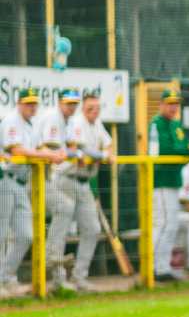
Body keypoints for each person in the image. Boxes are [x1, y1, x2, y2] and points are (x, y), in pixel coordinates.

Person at [1, 89, 66, 297]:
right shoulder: (11, 120)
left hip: (21, 182)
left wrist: (54, 154)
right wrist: (45, 155)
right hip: (4, 179)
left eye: (34, 103)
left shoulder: (30, 124)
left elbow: (40, 148)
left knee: (25, 235)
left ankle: (6, 278)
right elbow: (17, 150)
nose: (32, 107)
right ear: (19, 103)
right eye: (28, 103)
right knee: (1, 233)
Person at [46, 91, 114, 291]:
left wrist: (105, 154)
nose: (94, 111)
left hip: (84, 182)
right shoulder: (76, 122)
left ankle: (79, 277)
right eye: (90, 108)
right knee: (62, 228)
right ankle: (58, 280)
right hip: (66, 180)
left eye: (97, 108)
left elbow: (109, 145)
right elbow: (80, 150)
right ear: (83, 108)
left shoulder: (97, 123)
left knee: (92, 229)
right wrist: (102, 156)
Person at [149, 90, 189, 282]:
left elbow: (183, 148)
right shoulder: (156, 124)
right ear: (161, 104)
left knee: (171, 225)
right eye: (169, 103)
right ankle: (154, 269)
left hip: (174, 180)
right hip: (161, 181)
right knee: (163, 224)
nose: (173, 107)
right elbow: (163, 150)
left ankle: (163, 268)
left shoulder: (176, 125)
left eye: (176, 103)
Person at [36, 89, 83, 290]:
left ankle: (57, 276)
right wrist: (73, 153)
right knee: (63, 208)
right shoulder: (53, 117)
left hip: (40, 176)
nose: (71, 107)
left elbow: (71, 148)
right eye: (68, 103)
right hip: (27, 176)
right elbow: (51, 151)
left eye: (74, 103)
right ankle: (51, 257)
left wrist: (74, 152)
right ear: (59, 103)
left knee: (63, 208)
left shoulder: (68, 120)